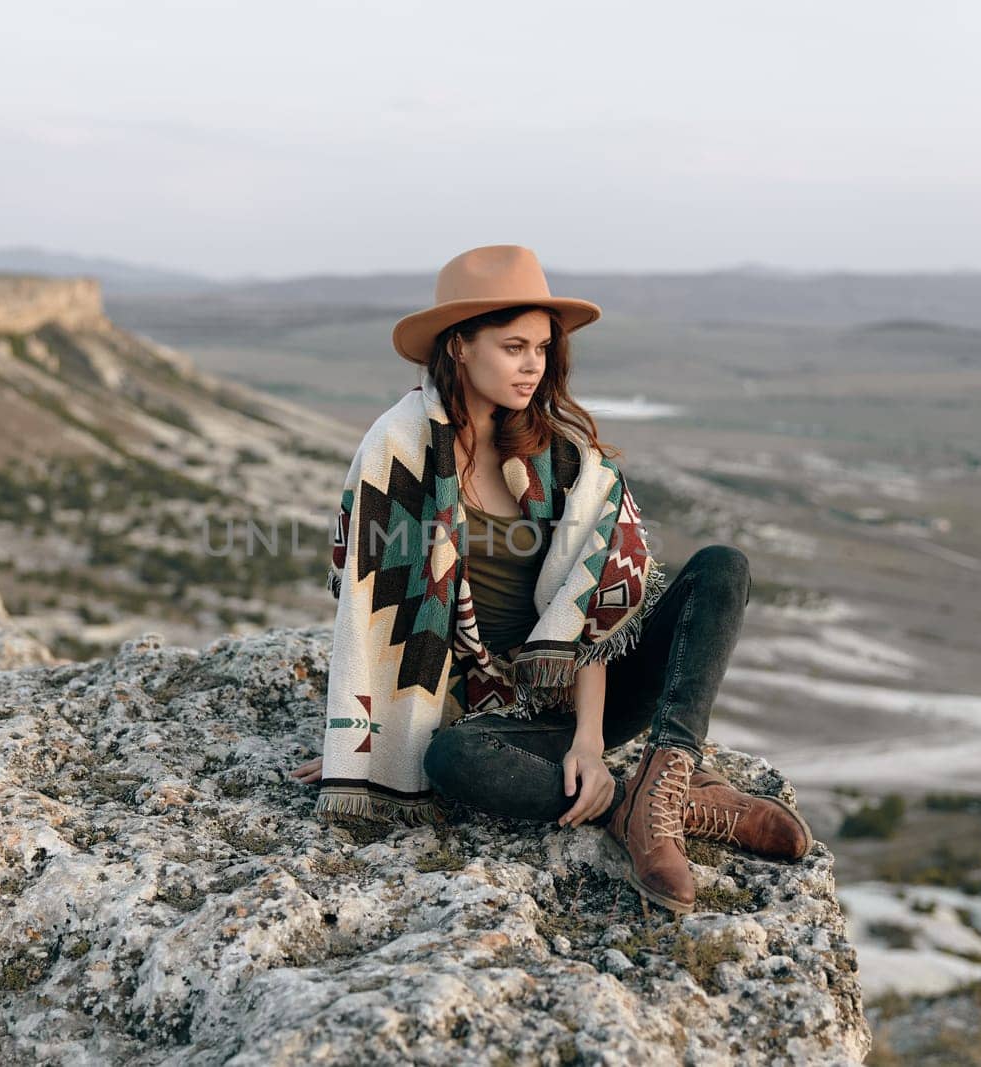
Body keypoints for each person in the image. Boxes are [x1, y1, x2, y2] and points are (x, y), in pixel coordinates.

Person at [290, 245, 811, 915]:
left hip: (594, 697)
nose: (533, 363)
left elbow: (591, 610)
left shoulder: (559, 455)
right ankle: (635, 809)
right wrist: (358, 742)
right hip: (501, 719)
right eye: (513, 346)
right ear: (459, 348)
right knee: (450, 761)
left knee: (722, 568)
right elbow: (369, 603)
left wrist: (592, 743)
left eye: (541, 347)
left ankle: (664, 779)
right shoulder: (398, 453)